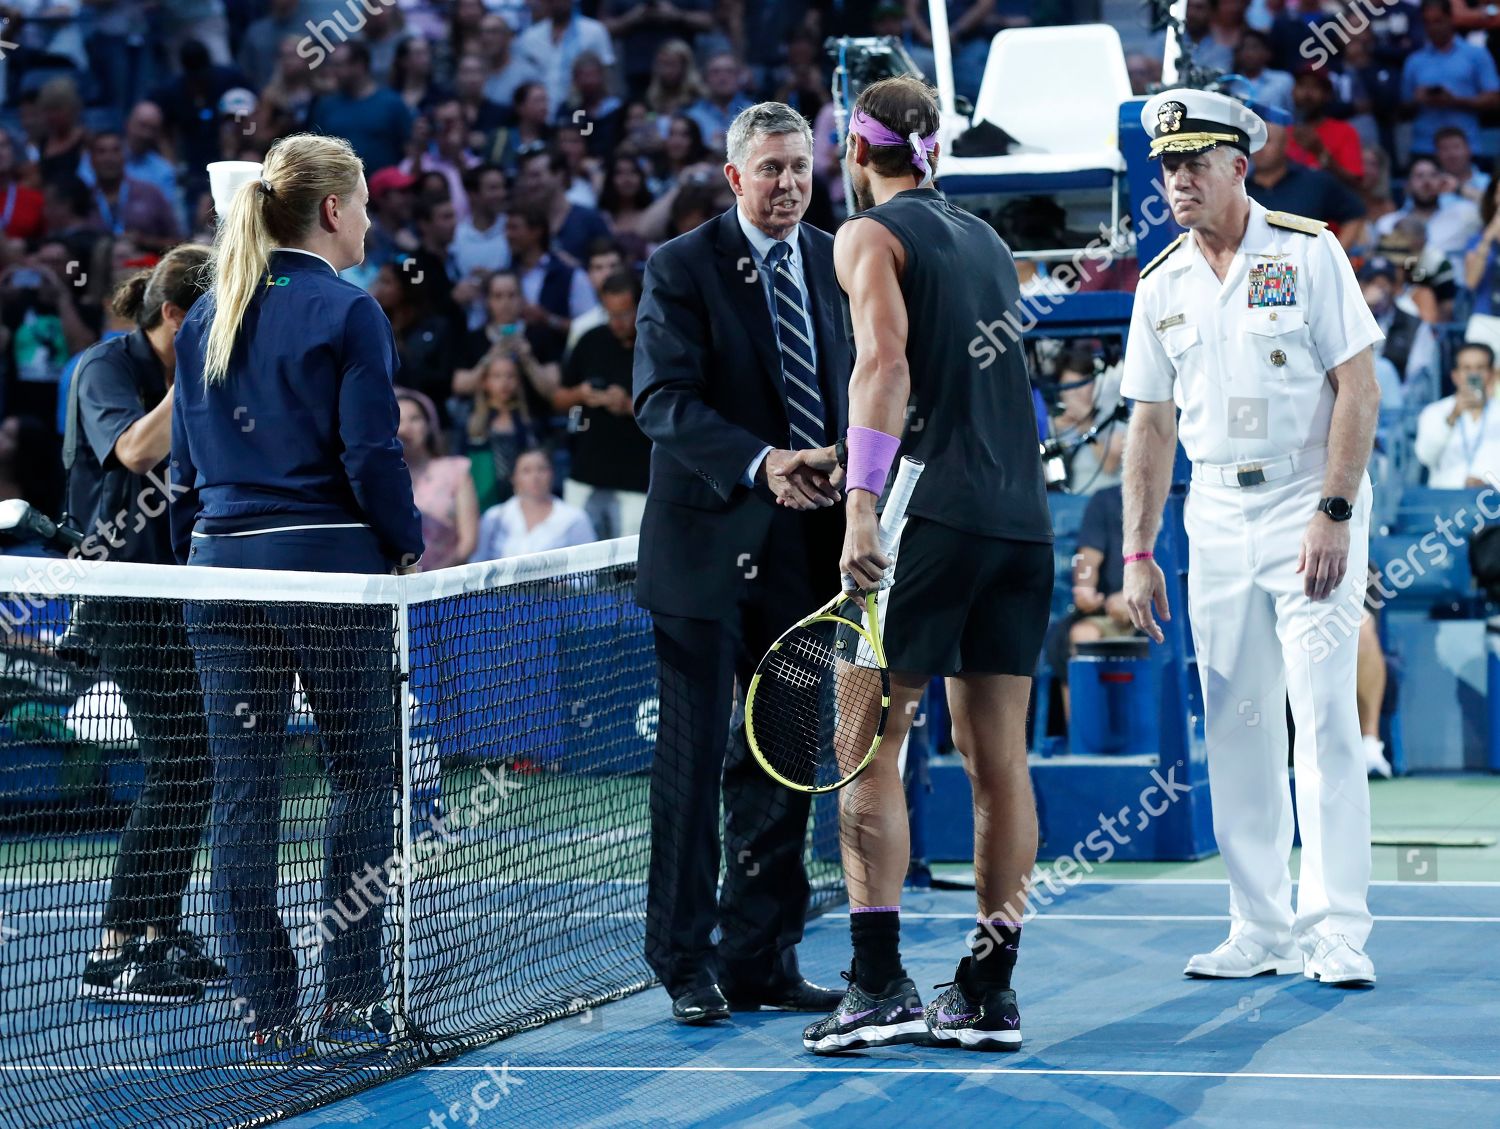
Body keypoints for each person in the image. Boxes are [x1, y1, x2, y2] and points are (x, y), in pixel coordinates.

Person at [797, 74, 1054, 1056]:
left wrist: (861, 502)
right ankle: (989, 990)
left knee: (867, 738)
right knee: (1000, 759)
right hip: (1018, 522)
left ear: (855, 156)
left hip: (928, 521)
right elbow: (975, 392)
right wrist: (851, 454)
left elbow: (887, 366)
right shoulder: (987, 241)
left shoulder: (866, 234)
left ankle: (876, 983)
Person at [170, 134, 425, 1061]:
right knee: (362, 779)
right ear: (330, 210)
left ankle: (267, 1008)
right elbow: (370, 453)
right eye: (361, 202)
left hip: (219, 573)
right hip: (326, 573)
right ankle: (353, 997)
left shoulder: (207, 312)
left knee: (245, 794)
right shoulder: (349, 312)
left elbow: (190, 469)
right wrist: (405, 543)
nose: (369, 219)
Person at [1122, 89, 1382, 989]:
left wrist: (1337, 511)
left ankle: (1336, 929)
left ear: (1242, 164)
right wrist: (1138, 548)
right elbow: (1150, 428)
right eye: (1168, 164)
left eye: (1197, 160)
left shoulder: (1308, 253)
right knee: (1235, 723)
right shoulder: (1158, 285)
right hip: (1215, 517)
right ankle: (1259, 925)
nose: (1180, 177)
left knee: (1322, 719)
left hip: (1309, 498)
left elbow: (1359, 387)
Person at [632, 101, 850, 1026]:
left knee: (785, 758)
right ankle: (683, 960)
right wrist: (766, 464)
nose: (788, 183)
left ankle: (760, 954)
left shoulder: (839, 260)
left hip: (807, 555)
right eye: (770, 169)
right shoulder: (678, 268)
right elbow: (660, 401)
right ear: (733, 177)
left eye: (800, 166)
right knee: (689, 764)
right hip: (704, 557)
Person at [67, 246, 227, 1007]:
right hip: (124, 592)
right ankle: (115, 947)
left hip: (184, 586)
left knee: (196, 766)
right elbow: (133, 449)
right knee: (178, 763)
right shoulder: (107, 367)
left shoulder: (191, 369)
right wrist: (197, 369)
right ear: (174, 316)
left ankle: (158, 928)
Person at [554, 270, 650, 538]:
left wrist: (628, 405)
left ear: (641, 305)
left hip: (637, 478)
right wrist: (581, 394)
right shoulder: (590, 340)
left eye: (623, 314)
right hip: (586, 472)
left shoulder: (656, 343)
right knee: (580, 566)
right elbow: (559, 399)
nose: (616, 323)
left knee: (633, 564)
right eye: (610, 314)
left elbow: (674, 408)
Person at [1401, 0, 1500, 159]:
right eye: (1428, 22)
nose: (1433, 28)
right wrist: (1418, 99)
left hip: (1466, 146)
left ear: (1450, 19)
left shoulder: (1476, 55)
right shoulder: (1414, 60)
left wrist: (1456, 100)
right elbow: (1403, 107)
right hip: (1425, 146)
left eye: (1438, 21)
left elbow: (1494, 99)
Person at [1246, 122, 1366, 248]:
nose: (1259, 148)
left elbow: (1355, 214)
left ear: (1285, 145)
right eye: (1255, 141)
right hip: (1254, 265)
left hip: (1306, 265)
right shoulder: (1239, 188)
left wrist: (1334, 258)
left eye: (1267, 141)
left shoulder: (1314, 182)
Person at [397, 387, 479, 569]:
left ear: (429, 424)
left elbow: (468, 542)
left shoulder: (456, 470)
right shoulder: (383, 477)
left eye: (415, 419)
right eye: (399, 420)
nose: (406, 428)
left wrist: (431, 579)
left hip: (446, 585)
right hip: (397, 586)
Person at [471, 447, 594, 559]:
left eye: (541, 469)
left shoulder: (575, 518)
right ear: (514, 478)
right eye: (526, 471)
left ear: (552, 474)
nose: (535, 477)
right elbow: (477, 562)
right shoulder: (494, 517)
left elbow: (590, 570)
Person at [1415, 342, 1500, 486]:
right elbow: (1425, 456)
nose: (1474, 374)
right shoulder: (1435, 412)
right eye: (1467, 368)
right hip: (1445, 501)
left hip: (1493, 502)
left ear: (1492, 375)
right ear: (1455, 375)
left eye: (1480, 368)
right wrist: (1452, 417)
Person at [463, 350, 539, 509]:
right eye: (497, 376)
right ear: (485, 382)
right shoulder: (473, 420)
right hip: (485, 496)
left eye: (510, 376)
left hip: (522, 496)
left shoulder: (527, 418)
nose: (504, 382)